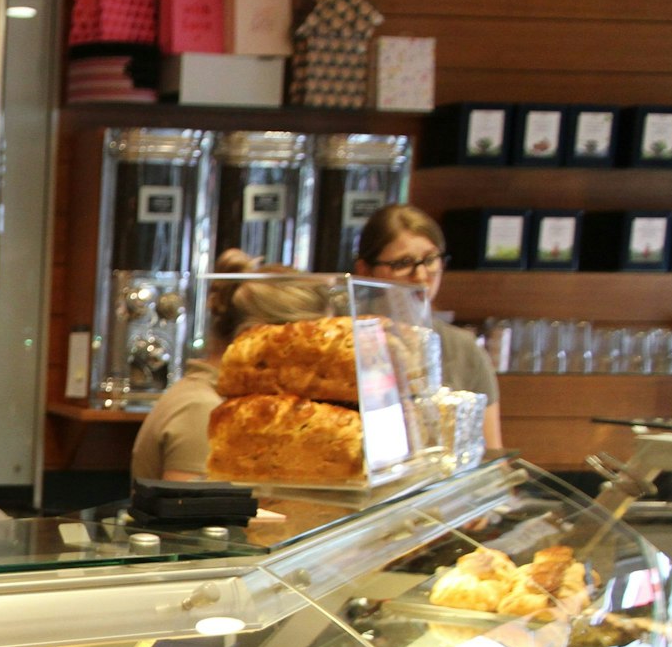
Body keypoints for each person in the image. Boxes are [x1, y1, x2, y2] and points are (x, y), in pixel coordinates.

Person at [131, 253, 331, 482]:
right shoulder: (203, 409)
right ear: (256, 338)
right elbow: (190, 513)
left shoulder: (229, 402)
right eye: (310, 351)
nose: (316, 369)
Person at [354, 204, 503, 449]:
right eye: (403, 263)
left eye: (430, 259)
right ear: (365, 271)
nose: (421, 275)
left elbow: (493, 456)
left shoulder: (464, 348)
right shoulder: (348, 342)